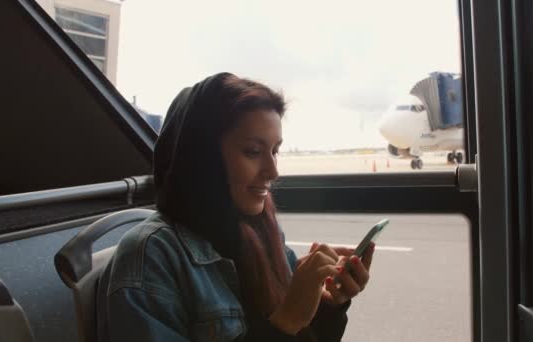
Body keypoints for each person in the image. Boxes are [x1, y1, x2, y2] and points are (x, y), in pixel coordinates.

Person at [96, 72, 374, 341]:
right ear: (204, 158)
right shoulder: (150, 259)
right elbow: (288, 326)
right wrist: (287, 321)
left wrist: (327, 304)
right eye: (254, 151)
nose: (273, 171)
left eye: (275, 151)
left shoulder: (265, 233)